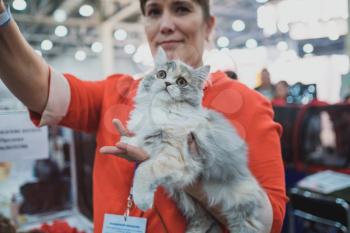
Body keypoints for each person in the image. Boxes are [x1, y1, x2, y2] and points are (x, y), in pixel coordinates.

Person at [0, 0, 287, 232]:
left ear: (209, 25)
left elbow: (267, 222)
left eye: (182, 8)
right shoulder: (115, 92)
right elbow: (40, 88)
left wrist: (181, 170)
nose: (165, 24)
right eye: (153, 11)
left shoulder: (246, 103)